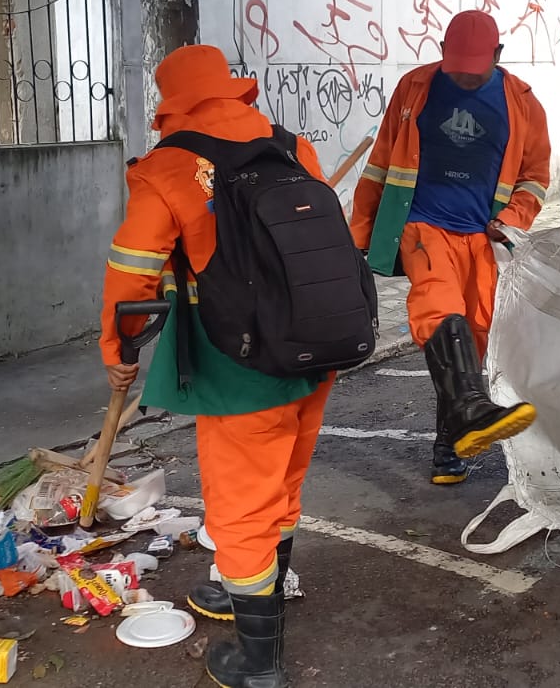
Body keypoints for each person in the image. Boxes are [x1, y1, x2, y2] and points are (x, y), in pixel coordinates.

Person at [101, 45, 334, 688]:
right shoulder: (294, 146)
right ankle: (253, 593)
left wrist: (116, 353)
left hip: (241, 366)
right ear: (232, 92)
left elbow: (132, 274)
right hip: (316, 351)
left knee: (238, 509)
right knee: (279, 488)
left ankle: (258, 662)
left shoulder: (168, 167)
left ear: (171, 104)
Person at [350, 10, 550, 484]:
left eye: (473, 67)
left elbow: (536, 178)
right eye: (454, 63)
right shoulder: (416, 88)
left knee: (473, 335)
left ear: (498, 56)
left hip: (484, 236)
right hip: (425, 226)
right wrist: (358, 236)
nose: (461, 74)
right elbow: (380, 163)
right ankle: (466, 421)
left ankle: (452, 443)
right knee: (438, 309)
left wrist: (513, 219)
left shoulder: (522, 102)